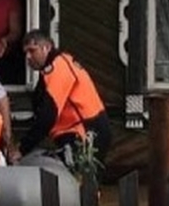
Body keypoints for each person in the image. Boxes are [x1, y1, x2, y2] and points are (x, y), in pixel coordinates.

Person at [12, 29, 112, 170]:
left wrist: (22, 148)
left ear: (46, 48)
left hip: (86, 132)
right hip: (80, 131)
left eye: (32, 51)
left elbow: (47, 116)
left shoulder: (58, 68)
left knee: (82, 181)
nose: (28, 57)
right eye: (26, 53)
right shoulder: (52, 68)